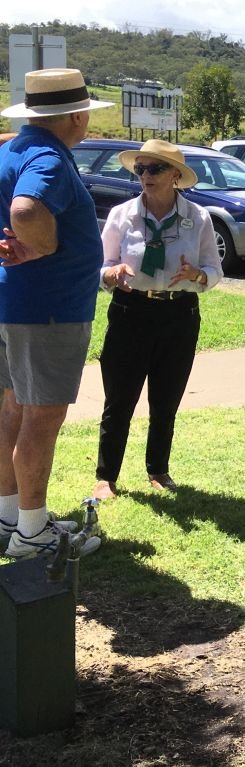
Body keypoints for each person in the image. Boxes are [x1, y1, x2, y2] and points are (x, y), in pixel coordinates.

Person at [0, 68, 112, 559]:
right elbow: (25, 210)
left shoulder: (10, 150)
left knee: (10, 411)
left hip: (13, 304)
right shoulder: (47, 155)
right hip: (48, 311)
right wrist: (40, 247)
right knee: (41, 419)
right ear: (75, 116)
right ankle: (32, 535)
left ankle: (10, 518)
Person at [93, 140, 223, 500]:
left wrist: (198, 275)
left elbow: (215, 270)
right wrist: (111, 273)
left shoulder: (198, 217)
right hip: (129, 311)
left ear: (175, 176)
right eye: (140, 169)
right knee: (119, 399)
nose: (145, 176)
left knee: (166, 399)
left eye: (155, 169)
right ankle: (106, 477)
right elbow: (100, 267)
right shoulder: (122, 215)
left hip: (178, 314)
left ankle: (158, 470)